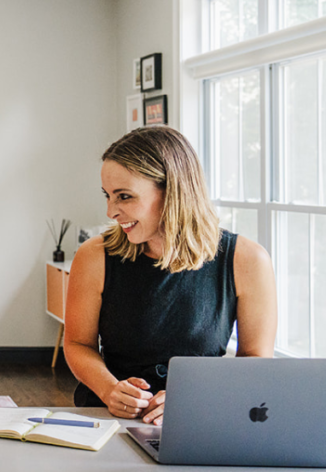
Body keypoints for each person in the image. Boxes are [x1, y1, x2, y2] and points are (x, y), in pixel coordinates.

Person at [64, 126, 276, 425]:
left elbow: (256, 361)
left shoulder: (248, 260)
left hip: (201, 416)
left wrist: (195, 397)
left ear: (173, 191)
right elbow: (77, 344)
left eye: (124, 196)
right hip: (108, 417)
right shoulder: (94, 256)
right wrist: (110, 390)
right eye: (108, 196)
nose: (111, 211)